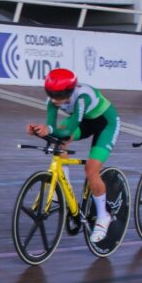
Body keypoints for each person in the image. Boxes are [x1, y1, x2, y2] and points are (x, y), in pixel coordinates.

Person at [26, 68, 120, 243]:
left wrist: (50, 130)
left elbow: (71, 127)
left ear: (69, 91)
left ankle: (103, 216)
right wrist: (40, 130)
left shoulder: (82, 97)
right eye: (50, 94)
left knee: (91, 170)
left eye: (58, 96)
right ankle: (63, 187)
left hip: (106, 124)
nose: (54, 100)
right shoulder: (52, 100)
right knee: (58, 140)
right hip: (85, 121)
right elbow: (52, 127)